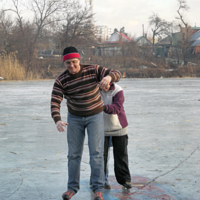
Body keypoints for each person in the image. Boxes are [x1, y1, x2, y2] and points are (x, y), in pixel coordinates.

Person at [50, 46, 121, 200]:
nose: (71, 66)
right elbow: (55, 101)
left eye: (74, 62)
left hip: (94, 116)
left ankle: (98, 188)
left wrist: (109, 77)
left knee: (96, 154)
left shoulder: (93, 70)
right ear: (64, 63)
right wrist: (57, 120)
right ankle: (72, 188)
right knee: (73, 155)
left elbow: (117, 73)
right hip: (74, 118)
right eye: (68, 63)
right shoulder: (61, 80)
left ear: (79, 60)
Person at [100, 82, 132, 190]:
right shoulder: (94, 90)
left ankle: (125, 180)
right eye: (101, 84)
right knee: (100, 156)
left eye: (106, 84)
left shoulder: (118, 90)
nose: (104, 86)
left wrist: (101, 107)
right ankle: (100, 180)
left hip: (119, 127)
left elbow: (117, 107)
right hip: (101, 128)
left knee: (121, 155)